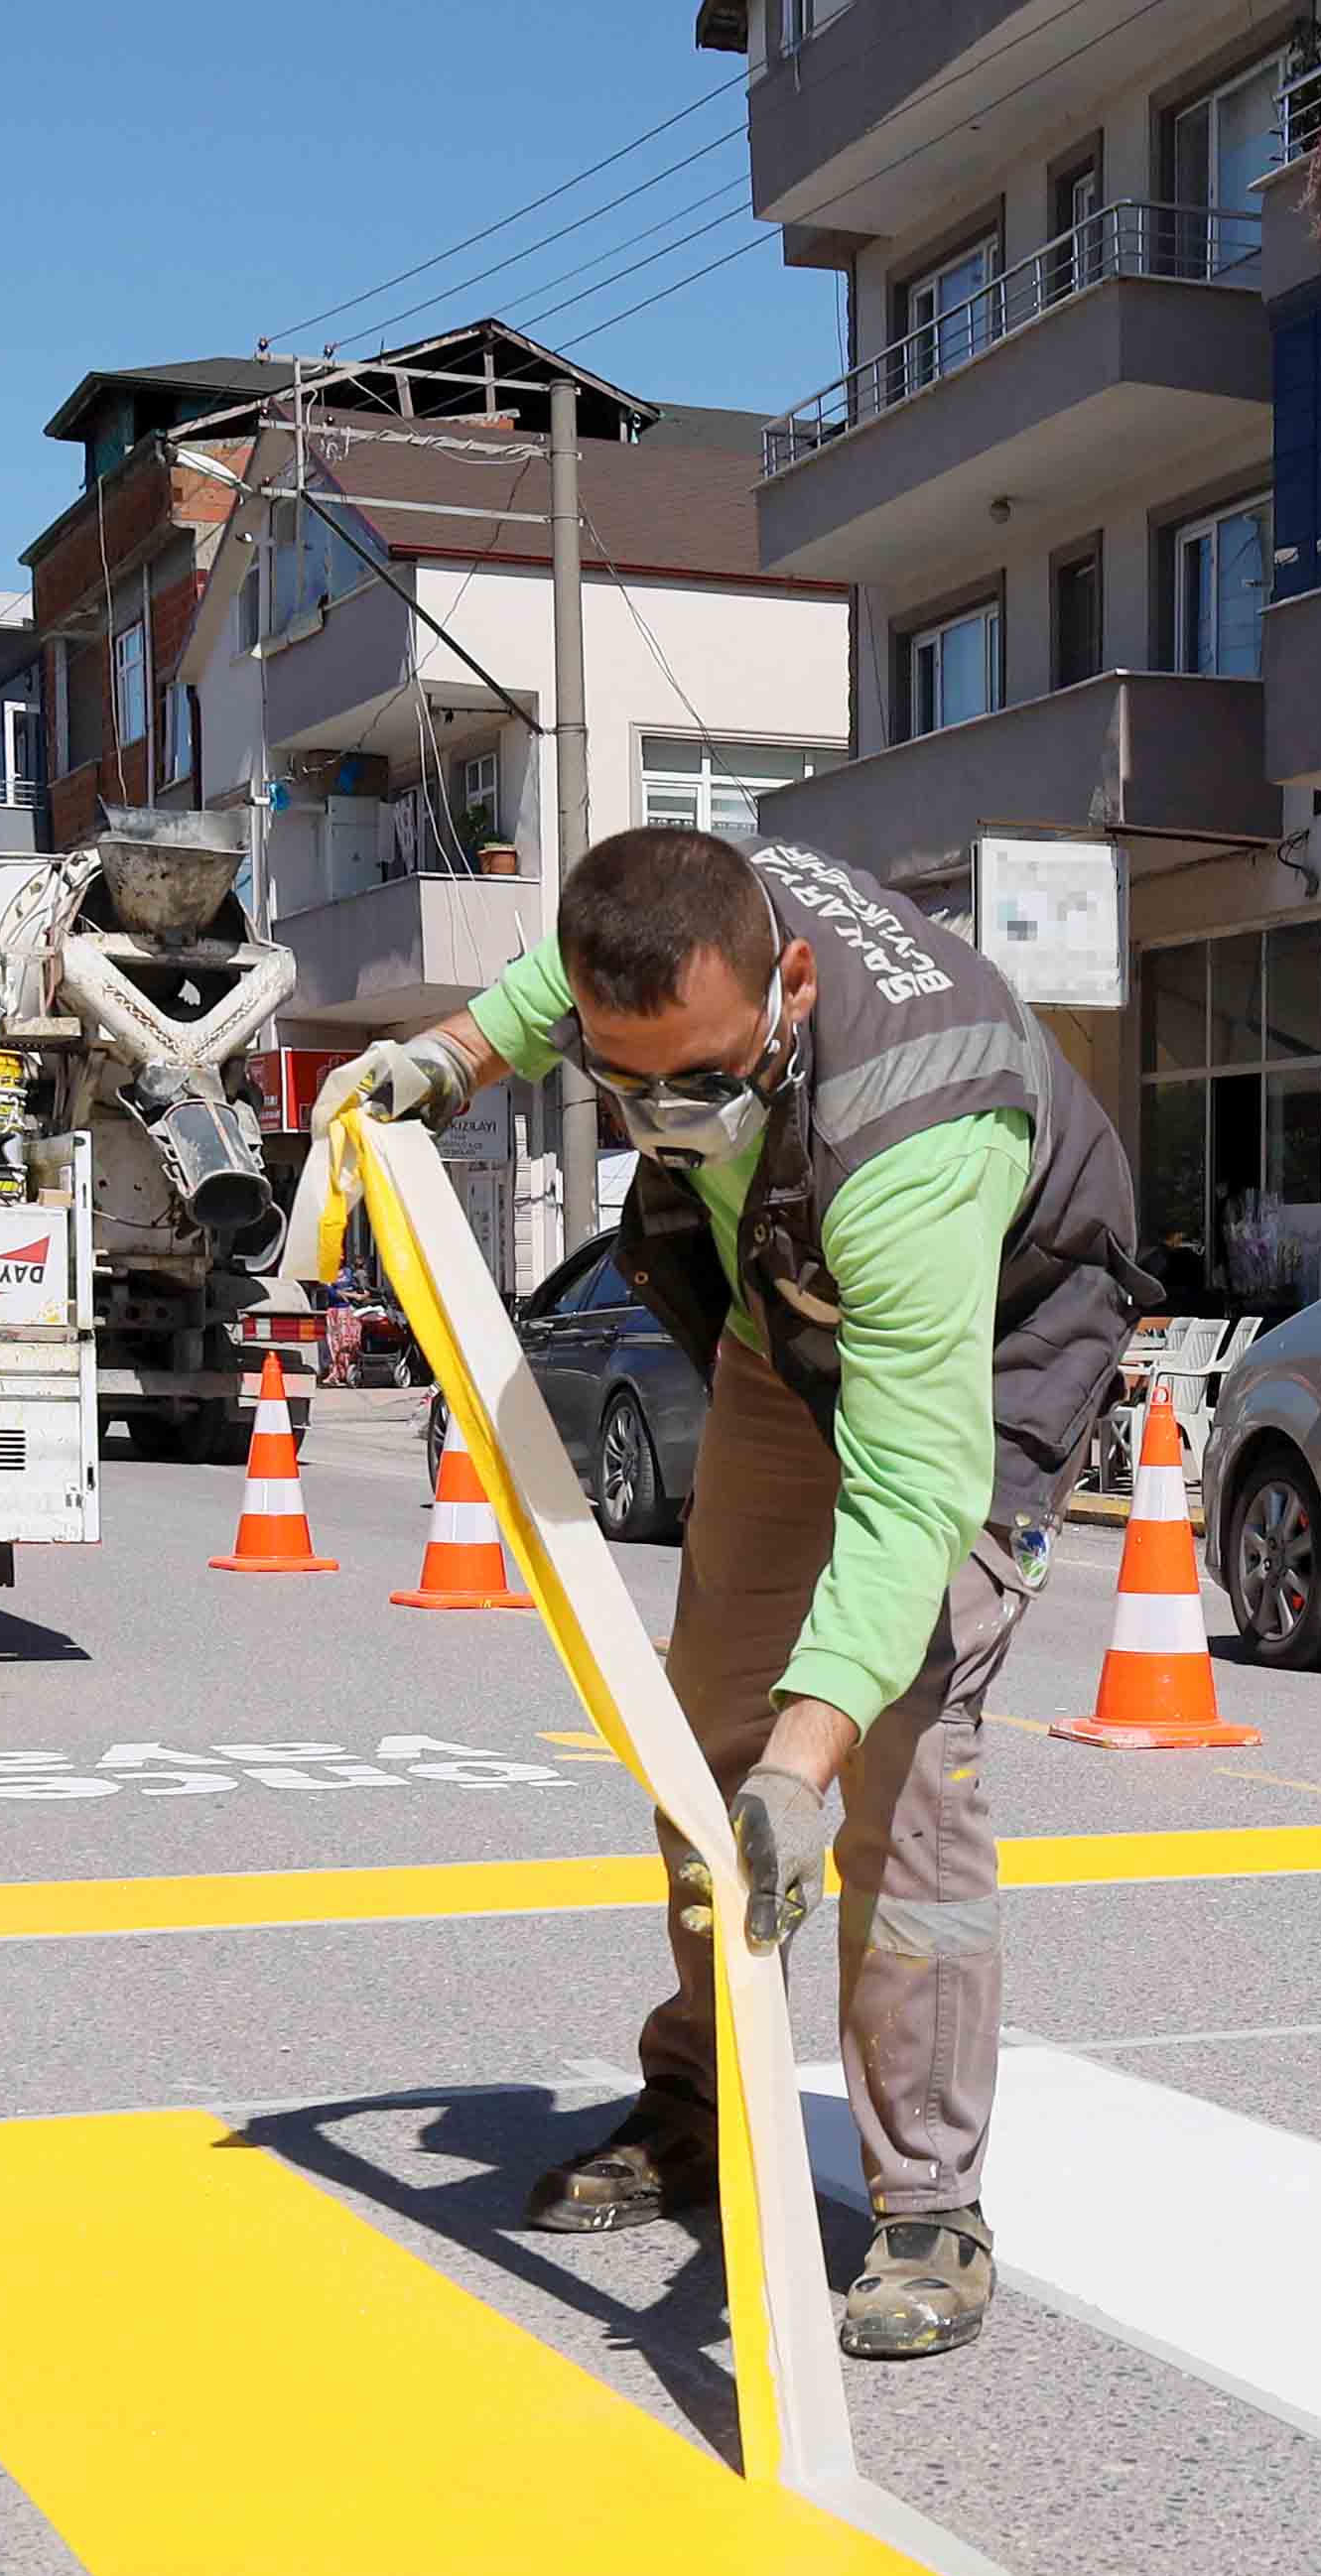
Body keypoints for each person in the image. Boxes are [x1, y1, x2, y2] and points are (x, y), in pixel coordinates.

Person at [321, 826, 1143, 2359]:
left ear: (794, 990)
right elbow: (539, 993)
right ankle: (703, 2092)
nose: (662, 1119)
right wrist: (439, 1057)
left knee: (896, 1747)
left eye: (699, 1083)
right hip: (791, 1311)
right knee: (703, 1724)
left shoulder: (920, 1134)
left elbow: (908, 1500)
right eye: (627, 1086)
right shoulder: (658, 955)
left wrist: (807, 1760)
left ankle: (926, 2201)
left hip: (985, 1331)